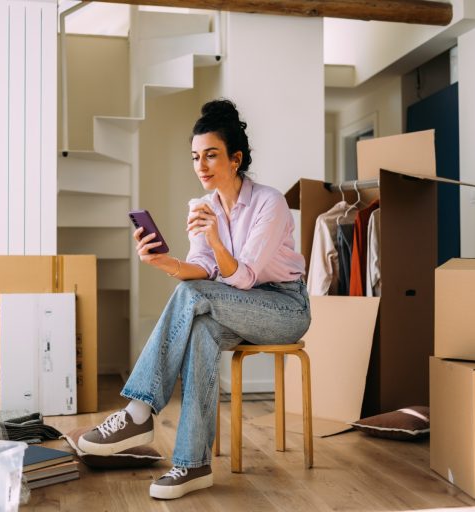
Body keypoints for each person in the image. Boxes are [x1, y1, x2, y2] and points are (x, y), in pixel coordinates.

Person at [78, 99, 311, 500]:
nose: (201, 165)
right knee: (201, 330)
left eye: (211, 155)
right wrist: (163, 262)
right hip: (232, 302)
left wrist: (218, 237)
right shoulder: (201, 207)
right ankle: (193, 463)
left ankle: (138, 412)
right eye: (195, 157)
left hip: (284, 308)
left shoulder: (268, 203)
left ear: (235, 159)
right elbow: (202, 268)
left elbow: (245, 276)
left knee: (193, 298)